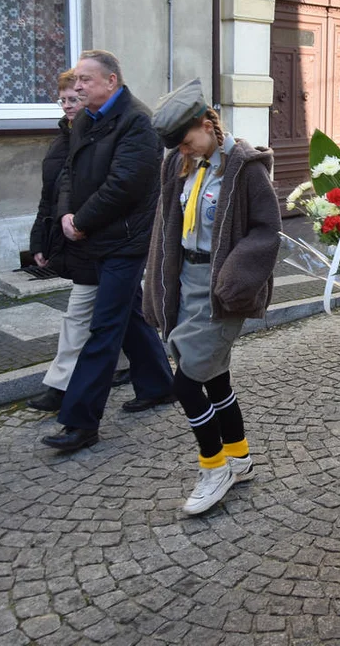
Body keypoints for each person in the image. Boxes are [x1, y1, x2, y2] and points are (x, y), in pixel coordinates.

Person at [142, 79, 280, 514]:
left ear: (207, 124)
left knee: (184, 383)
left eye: (186, 142)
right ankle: (239, 457)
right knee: (213, 377)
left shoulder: (245, 167)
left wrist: (236, 276)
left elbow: (266, 230)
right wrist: (157, 279)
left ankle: (213, 466)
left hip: (223, 290)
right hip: (187, 282)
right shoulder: (180, 164)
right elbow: (166, 224)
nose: (183, 151)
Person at [41, 50, 175, 452]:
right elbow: (69, 172)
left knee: (104, 327)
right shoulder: (86, 118)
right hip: (93, 235)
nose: (77, 86)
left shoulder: (137, 121)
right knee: (128, 314)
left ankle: (81, 422)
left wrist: (80, 221)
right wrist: (66, 213)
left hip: (126, 241)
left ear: (111, 81)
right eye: (76, 80)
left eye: (85, 79)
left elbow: (124, 186)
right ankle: (158, 385)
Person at [27, 69, 129, 413]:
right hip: (75, 238)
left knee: (82, 314)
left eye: (76, 98)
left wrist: (84, 222)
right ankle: (149, 374)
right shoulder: (62, 139)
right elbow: (50, 195)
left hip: (106, 239)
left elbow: (117, 189)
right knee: (124, 314)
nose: (70, 106)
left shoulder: (104, 133)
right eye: (65, 100)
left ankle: (62, 387)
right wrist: (40, 237)